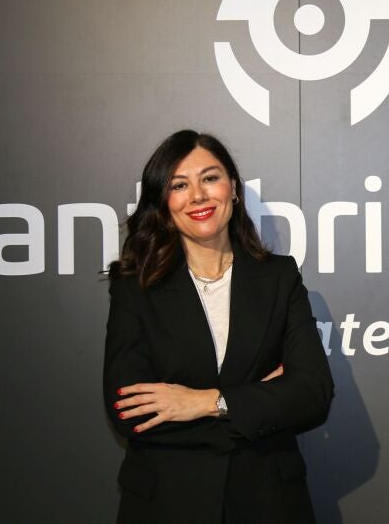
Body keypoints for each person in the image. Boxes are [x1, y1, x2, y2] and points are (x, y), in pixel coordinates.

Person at [103, 129, 333, 524]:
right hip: (167, 505)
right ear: (164, 202)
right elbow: (130, 411)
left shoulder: (279, 278)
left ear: (234, 189)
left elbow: (313, 394)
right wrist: (259, 403)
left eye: (209, 178)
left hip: (268, 502)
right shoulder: (134, 287)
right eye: (179, 185)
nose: (197, 195)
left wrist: (206, 402)